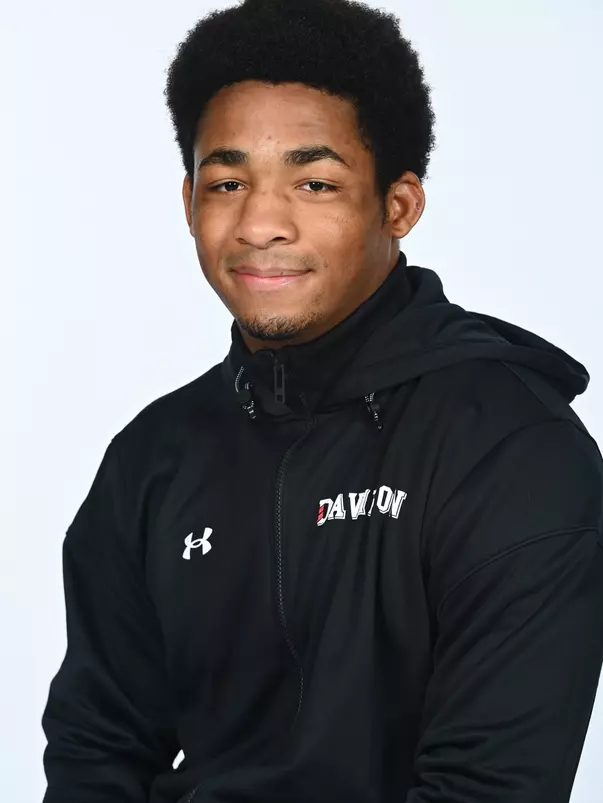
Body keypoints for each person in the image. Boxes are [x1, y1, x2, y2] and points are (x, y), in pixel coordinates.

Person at [41, 0, 603, 801]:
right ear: (189, 200)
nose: (261, 223)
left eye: (314, 182)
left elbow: (490, 787)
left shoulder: (510, 446)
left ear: (397, 205)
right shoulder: (152, 458)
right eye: (228, 182)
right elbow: (97, 750)